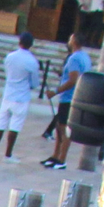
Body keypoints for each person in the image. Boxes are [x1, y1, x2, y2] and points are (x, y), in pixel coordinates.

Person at [41, 33, 92, 170]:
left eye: (70, 39)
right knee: (59, 126)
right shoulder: (85, 57)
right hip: (74, 97)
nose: (68, 41)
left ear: (74, 41)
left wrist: (55, 91)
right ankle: (55, 156)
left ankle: (61, 159)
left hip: (69, 98)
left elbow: (73, 80)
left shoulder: (74, 58)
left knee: (64, 129)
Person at [0, 33, 41, 160]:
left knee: (1, 123)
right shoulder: (32, 61)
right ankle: (8, 154)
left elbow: (7, 72)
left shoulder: (10, 57)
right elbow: (34, 83)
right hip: (22, 96)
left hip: (8, 94)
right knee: (15, 125)